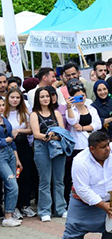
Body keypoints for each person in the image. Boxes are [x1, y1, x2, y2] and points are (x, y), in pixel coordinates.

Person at [30, 86, 68, 222]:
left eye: (47, 96)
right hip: (42, 148)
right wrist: (49, 135)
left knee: (59, 180)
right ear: (37, 99)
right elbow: (36, 134)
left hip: (58, 147)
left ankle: (61, 209)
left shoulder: (56, 113)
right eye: (42, 97)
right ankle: (44, 211)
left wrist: (54, 135)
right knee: (45, 181)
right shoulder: (34, 114)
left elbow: (63, 132)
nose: (45, 99)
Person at [4, 89, 36, 219]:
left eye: (18, 97)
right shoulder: (4, 113)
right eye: (12, 97)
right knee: (13, 177)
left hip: (23, 146)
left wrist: (18, 131)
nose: (15, 100)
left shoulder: (24, 112)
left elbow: (30, 130)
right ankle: (14, 206)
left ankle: (25, 205)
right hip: (9, 147)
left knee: (26, 176)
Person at [0, 108, 22, 227]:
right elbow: (8, 139)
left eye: (2, 104)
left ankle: (9, 214)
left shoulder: (5, 120)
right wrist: (4, 141)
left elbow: (12, 140)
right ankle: (7, 216)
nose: (1, 107)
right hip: (1, 155)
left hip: (10, 154)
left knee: (12, 185)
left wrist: (16, 158)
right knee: (12, 184)